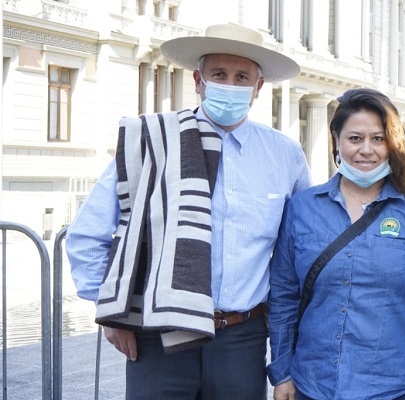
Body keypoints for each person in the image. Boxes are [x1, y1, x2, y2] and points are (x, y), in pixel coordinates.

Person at [65, 23, 311, 399]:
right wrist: (111, 314)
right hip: (157, 336)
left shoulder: (285, 155)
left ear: (258, 88)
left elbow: (299, 249)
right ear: (198, 81)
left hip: (241, 339)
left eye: (241, 76)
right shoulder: (151, 142)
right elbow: (88, 235)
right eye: (219, 74)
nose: (230, 84)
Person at [267, 88, 405, 400]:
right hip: (313, 386)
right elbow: (283, 299)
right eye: (355, 138)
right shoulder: (302, 208)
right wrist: (282, 373)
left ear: (392, 145)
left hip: (396, 388)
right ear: (336, 141)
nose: (366, 150)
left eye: (378, 138)